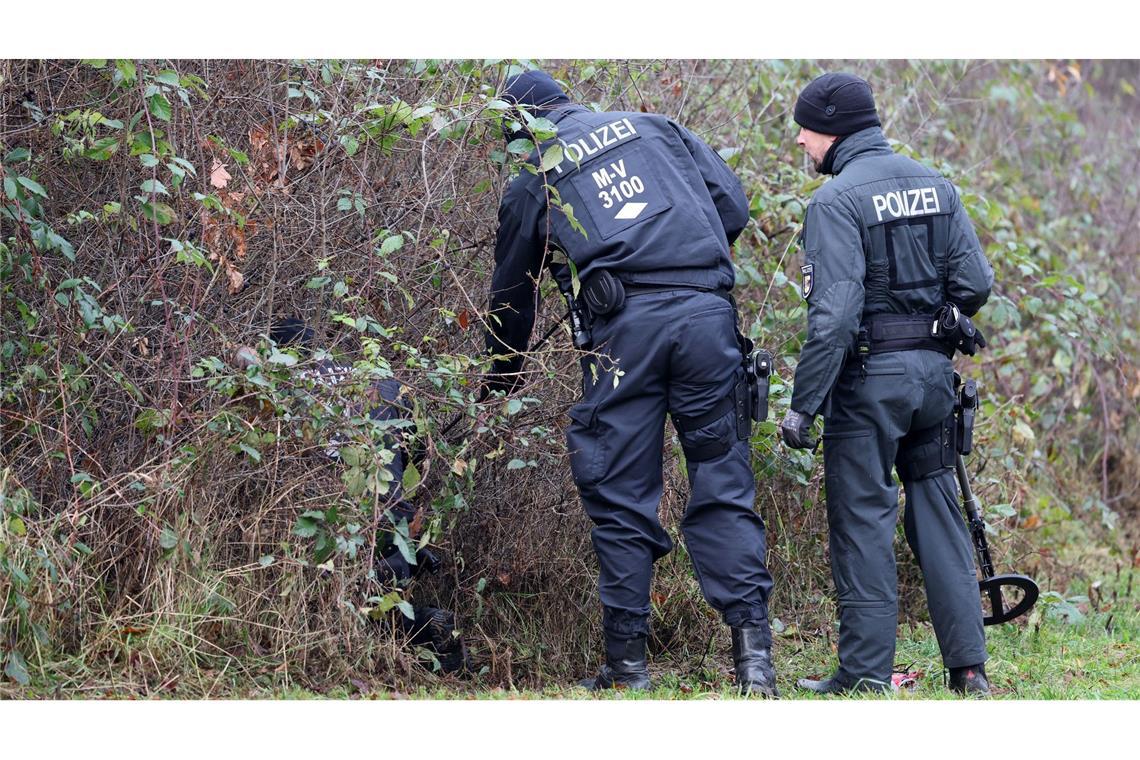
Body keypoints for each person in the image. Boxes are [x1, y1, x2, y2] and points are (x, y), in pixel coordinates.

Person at [484, 69, 777, 695]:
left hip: (626, 335)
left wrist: (500, 379)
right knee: (723, 478)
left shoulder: (535, 174)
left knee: (619, 491)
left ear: (518, 128)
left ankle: (628, 669)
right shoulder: (656, 127)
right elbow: (732, 205)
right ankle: (755, 663)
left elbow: (512, 295)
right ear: (567, 101)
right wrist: (683, 261)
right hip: (707, 319)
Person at [778, 73, 995, 696]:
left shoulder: (836, 201)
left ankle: (865, 674)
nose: (800, 141)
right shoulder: (936, 185)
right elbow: (976, 285)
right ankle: (969, 669)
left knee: (862, 521)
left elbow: (834, 318)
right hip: (934, 380)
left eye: (805, 129)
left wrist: (803, 407)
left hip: (870, 385)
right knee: (938, 512)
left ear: (832, 128)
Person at [242, 318, 469, 674]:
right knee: (386, 580)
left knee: (365, 597)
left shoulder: (286, 382)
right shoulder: (368, 375)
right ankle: (431, 636)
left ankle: (422, 629)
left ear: (280, 353)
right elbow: (418, 453)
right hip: (392, 496)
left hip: (344, 503)